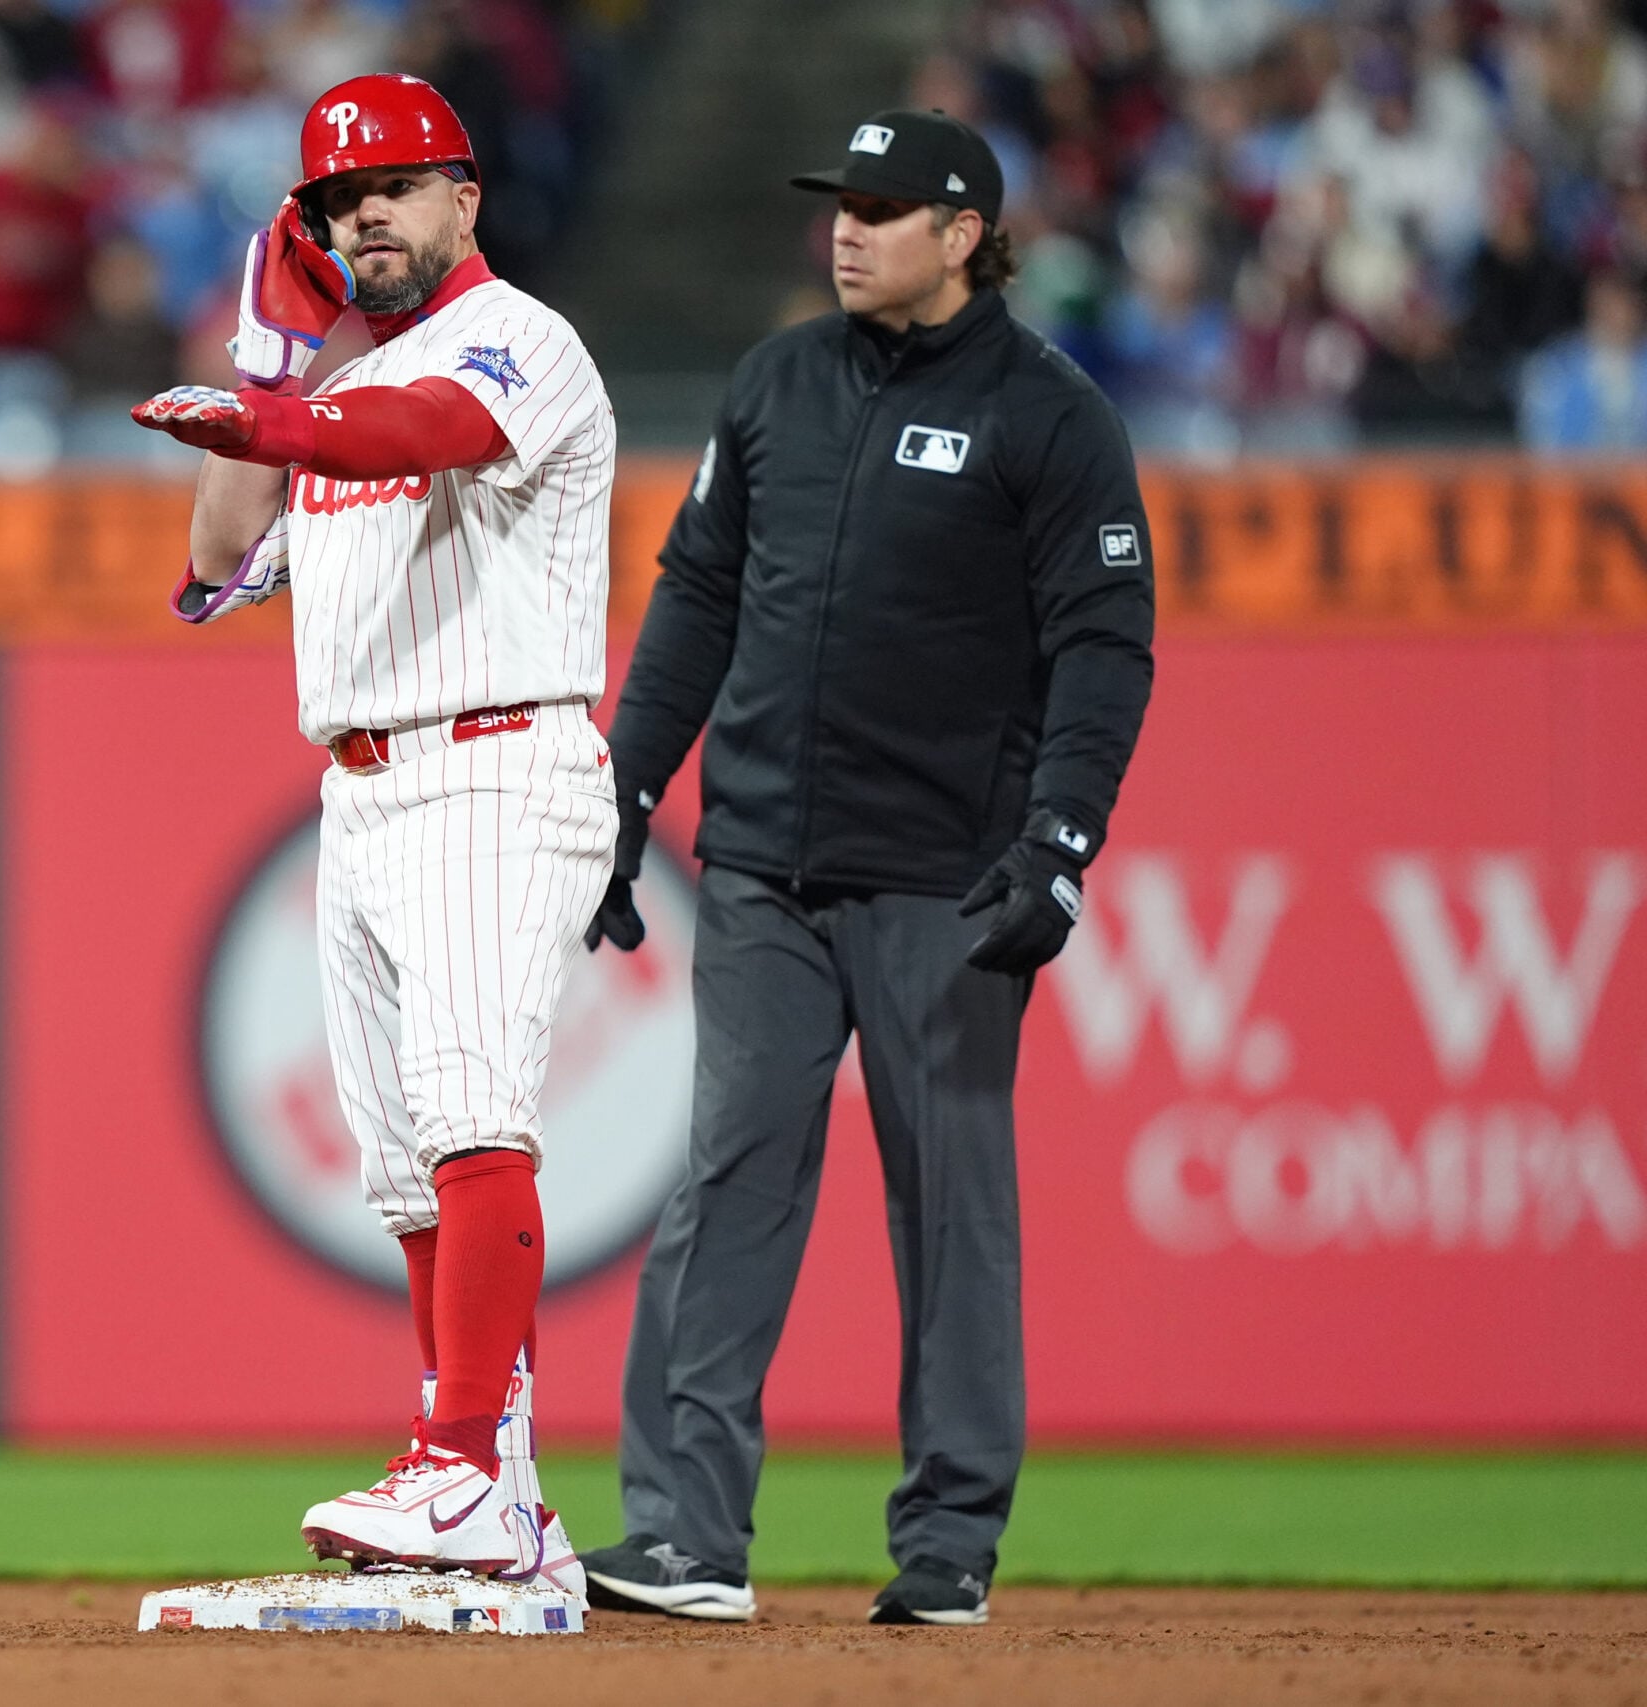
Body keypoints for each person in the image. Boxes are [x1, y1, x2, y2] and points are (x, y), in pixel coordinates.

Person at [575, 110, 1156, 1626]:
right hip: (764, 861)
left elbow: (1105, 648)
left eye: (885, 208)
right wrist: (626, 791)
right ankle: (690, 1537)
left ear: (964, 237)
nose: (846, 228)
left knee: (949, 1202)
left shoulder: (1050, 415)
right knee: (727, 1181)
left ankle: (950, 1543)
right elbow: (697, 596)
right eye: (840, 201)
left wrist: (1062, 842)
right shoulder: (777, 382)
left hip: (945, 882)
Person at [131, 71, 615, 1589]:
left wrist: (279, 412)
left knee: (474, 1118)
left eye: (396, 186)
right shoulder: (322, 387)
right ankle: (504, 1503)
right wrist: (268, 363)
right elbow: (217, 562)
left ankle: (462, 1468)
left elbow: (425, 429)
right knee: (408, 1169)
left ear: (465, 197)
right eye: (341, 200)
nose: (367, 216)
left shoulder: (520, 342)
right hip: (362, 785)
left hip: (495, 759)